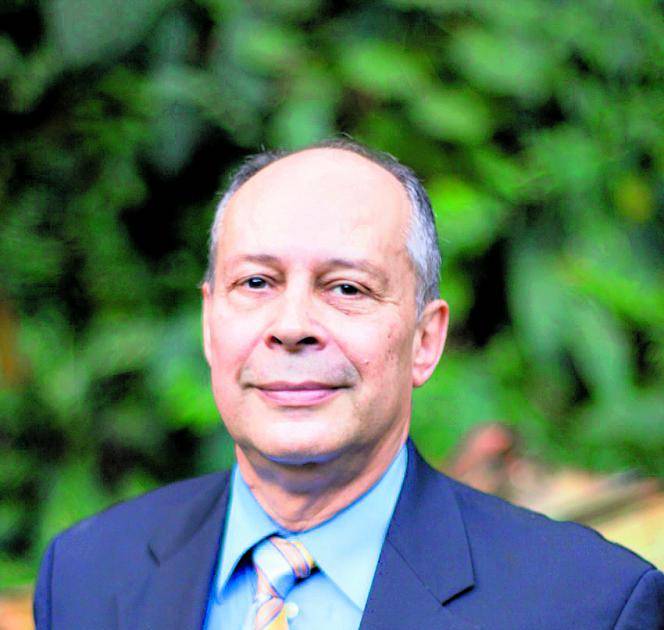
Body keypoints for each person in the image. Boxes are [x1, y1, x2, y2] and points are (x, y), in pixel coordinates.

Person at [34, 139, 663, 629]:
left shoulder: (589, 606)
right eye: (256, 283)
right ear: (209, 323)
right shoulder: (87, 577)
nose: (292, 327)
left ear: (425, 339)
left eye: (346, 288)